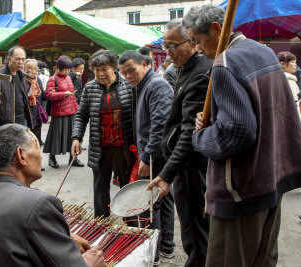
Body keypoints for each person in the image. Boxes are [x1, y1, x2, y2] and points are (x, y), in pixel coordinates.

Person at [184, 5, 301, 267]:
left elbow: (236, 133)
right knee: (262, 260)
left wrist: (200, 138)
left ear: (216, 29)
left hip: (240, 190)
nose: (198, 49)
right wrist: (212, 122)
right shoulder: (263, 51)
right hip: (272, 179)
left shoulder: (226, 62)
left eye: (197, 41)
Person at [0, 124, 106, 267]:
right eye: (36, 147)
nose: (41, 157)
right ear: (21, 156)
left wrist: (60, 234)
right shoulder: (38, 204)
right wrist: (91, 264)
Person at [147, 19, 212, 267]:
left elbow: (189, 133)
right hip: (185, 164)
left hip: (192, 166)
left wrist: (166, 175)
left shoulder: (201, 73)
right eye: (166, 46)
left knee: (196, 230)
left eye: (174, 45)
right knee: (192, 228)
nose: (169, 52)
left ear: (193, 43)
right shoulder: (185, 68)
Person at [119, 50, 175, 265]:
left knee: (152, 205)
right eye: (124, 73)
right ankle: (166, 246)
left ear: (145, 64)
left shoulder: (157, 85)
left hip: (156, 157)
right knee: (164, 199)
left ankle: (154, 254)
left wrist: (147, 156)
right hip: (154, 155)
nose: (128, 76)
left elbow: (159, 125)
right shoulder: (143, 86)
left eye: (131, 70)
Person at [71, 49, 135, 218]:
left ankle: (131, 224)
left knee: (127, 187)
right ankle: (101, 224)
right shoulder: (90, 88)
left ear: (114, 68)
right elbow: (81, 115)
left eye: (104, 69)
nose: (100, 74)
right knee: (100, 190)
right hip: (100, 149)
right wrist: (76, 138)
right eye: (96, 70)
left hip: (124, 148)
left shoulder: (128, 85)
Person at [43, 55, 84, 169]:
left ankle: (73, 159)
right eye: (65, 69)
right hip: (59, 112)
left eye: (68, 69)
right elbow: (48, 95)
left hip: (71, 111)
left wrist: (77, 109)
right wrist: (63, 94)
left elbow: (72, 96)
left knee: (72, 136)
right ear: (59, 68)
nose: (67, 71)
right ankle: (52, 158)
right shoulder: (53, 79)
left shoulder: (68, 78)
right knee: (56, 136)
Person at [0, 46, 32, 127]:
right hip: (6, 122)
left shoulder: (22, 76)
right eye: (17, 59)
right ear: (9, 58)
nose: (20, 62)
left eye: (23, 59)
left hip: (22, 120)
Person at [24, 59, 45, 171]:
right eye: (28, 67)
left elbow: (42, 95)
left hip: (37, 115)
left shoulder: (38, 81)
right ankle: (27, 163)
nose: (30, 70)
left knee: (37, 140)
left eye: (33, 67)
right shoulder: (22, 81)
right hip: (26, 116)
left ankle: (37, 163)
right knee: (26, 142)